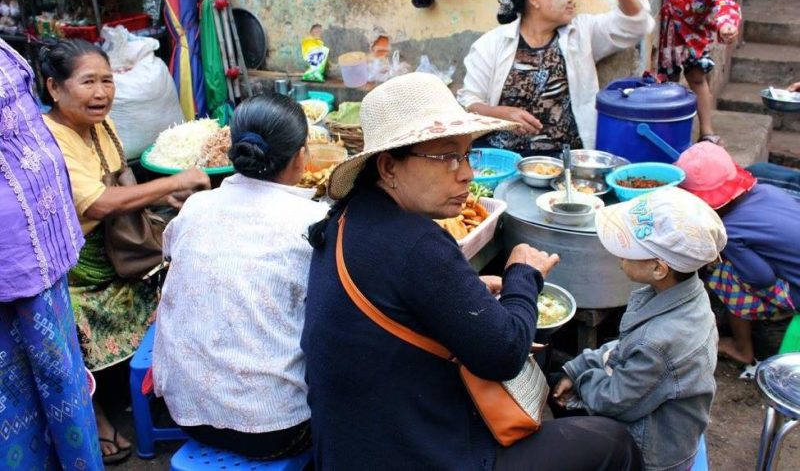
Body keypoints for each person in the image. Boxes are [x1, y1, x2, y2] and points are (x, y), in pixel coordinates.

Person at [302, 72, 643, 470]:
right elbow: (503, 355)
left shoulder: (346, 219)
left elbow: (393, 303)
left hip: (347, 450)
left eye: (466, 154)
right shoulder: (419, 244)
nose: (467, 173)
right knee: (611, 441)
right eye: (446, 157)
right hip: (415, 454)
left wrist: (466, 290)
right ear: (389, 166)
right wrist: (523, 274)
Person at [40, 39, 210, 464]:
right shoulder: (51, 139)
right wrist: (172, 183)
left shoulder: (101, 124)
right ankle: (93, 413)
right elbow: (96, 203)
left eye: (107, 81)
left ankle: (154, 381)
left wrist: (155, 205)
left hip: (117, 242)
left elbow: (121, 175)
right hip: (75, 266)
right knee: (72, 327)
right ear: (54, 88)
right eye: (88, 82)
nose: (101, 93)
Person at [153, 94, 328, 458]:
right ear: (300, 156)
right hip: (276, 428)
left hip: (185, 413)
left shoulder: (196, 206)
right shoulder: (311, 223)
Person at [553, 187, 726, 471]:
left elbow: (614, 400)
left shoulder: (659, 342)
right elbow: (625, 347)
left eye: (627, 250)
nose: (619, 257)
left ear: (659, 268)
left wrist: (582, 381)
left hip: (654, 453)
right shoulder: (685, 293)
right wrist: (579, 366)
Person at [0, 38, 103, 469]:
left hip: (40, 252)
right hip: (13, 256)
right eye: (89, 82)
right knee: (19, 388)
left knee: (58, 378)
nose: (100, 92)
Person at [457, 0, 654, 156]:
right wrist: (501, 114)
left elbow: (637, 25)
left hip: (566, 159)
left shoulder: (581, 33)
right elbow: (470, 103)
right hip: (504, 157)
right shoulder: (491, 44)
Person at [676, 142, 800, 366]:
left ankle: (742, 348)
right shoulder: (767, 190)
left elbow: (762, 279)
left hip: (796, 292)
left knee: (722, 272)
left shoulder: (729, 230)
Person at [658, 0, 741, 144]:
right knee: (667, 81)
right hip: (667, 32)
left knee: (697, 78)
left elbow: (725, 4)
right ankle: (665, 131)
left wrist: (727, 26)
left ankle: (706, 130)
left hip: (694, 34)